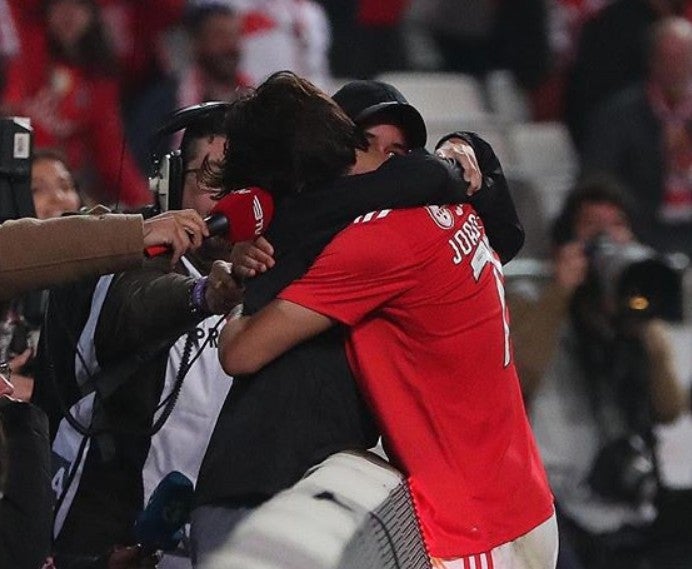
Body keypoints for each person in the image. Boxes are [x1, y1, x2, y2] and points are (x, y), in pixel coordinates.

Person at [195, 71, 555, 568]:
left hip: (477, 526)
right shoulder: (452, 212)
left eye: (399, 152)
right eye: (368, 144)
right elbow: (501, 230)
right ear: (329, 151)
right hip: (515, 503)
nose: (386, 162)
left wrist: (240, 293)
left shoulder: (375, 240)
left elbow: (239, 350)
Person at [30, 106, 242, 567]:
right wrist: (204, 295)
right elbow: (135, 306)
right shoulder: (123, 261)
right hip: (91, 540)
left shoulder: (274, 284)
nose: (230, 201)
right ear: (168, 184)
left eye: (245, 183)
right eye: (212, 182)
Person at [508, 178, 689, 569]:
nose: (608, 235)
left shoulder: (633, 318)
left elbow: (668, 408)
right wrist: (561, 290)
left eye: (618, 223)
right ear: (566, 244)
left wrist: (644, 325)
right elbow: (517, 382)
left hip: (633, 501)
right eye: (592, 224)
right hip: (561, 509)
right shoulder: (533, 303)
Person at [580, 16, 692, 257]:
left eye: (683, 59)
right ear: (652, 62)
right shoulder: (619, 115)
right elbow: (597, 178)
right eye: (669, 59)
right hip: (643, 231)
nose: (677, 69)